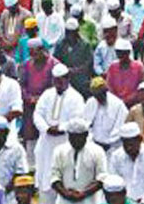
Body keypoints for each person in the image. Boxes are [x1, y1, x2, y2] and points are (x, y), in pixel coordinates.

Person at [35, 64, 86, 204]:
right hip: (46, 142)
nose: (58, 83)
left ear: (68, 78)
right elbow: (37, 114)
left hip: (65, 142)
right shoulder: (47, 95)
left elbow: (78, 120)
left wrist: (61, 128)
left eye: (61, 80)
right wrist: (46, 128)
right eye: (56, 80)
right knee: (45, 180)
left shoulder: (76, 98)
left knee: (64, 179)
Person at [50, 118, 107, 204]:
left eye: (79, 137)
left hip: (90, 200)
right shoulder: (59, 151)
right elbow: (54, 177)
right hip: (64, 200)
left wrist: (83, 193)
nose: (75, 141)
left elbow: (102, 178)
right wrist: (66, 193)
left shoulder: (97, 151)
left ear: (86, 135)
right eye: (72, 137)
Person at [108, 122, 144, 204]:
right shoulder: (116, 156)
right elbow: (114, 182)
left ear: (139, 139)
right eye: (125, 144)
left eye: (131, 144)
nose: (128, 148)